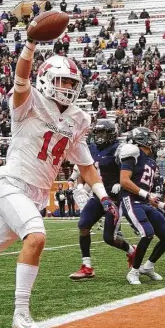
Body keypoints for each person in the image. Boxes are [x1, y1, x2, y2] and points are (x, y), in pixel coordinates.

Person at [0, 37, 117, 328]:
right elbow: (21, 78)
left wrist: (104, 197)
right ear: (45, 79)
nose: (67, 88)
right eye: (62, 82)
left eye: (71, 83)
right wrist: (30, 45)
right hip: (10, 185)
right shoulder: (29, 102)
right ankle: (21, 312)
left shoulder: (79, 118)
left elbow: (85, 165)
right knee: (37, 236)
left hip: (36, 194)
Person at [69, 120, 136, 280]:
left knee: (109, 238)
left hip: (115, 198)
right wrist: (76, 182)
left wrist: (120, 184)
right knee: (83, 225)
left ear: (111, 133)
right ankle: (87, 266)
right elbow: (82, 167)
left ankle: (132, 251)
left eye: (103, 133)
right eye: (97, 132)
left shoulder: (120, 149)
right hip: (98, 195)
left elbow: (129, 171)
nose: (99, 136)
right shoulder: (91, 149)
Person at [119, 127, 165, 285]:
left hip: (143, 202)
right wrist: (146, 195)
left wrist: (162, 204)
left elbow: (145, 190)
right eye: (150, 138)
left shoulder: (150, 160)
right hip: (131, 199)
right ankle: (133, 271)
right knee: (147, 233)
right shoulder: (132, 154)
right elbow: (124, 180)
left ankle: (148, 267)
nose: (153, 142)